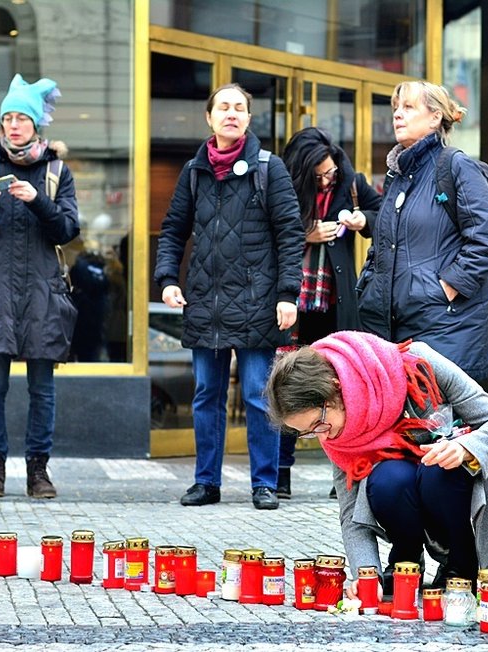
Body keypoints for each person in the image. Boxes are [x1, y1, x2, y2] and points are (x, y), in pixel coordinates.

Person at [266, 331, 488, 596]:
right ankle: (406, 564)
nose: (321, 436)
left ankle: (461, 567)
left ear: (335, 387)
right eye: (308, 432)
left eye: (318, 424)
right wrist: (367, 575)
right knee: (387, 479)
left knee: (436, 468)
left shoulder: (416, 363)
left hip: (478, 482)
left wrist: (465, 448)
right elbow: (350, 511)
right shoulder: (338, 432)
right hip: (414, 490)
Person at [154, 83, 304, 511]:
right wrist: (167, 278)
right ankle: (206, 482)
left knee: (259, 394)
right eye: (224, 107)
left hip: (259, 302)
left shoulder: (267, 167)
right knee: (206, 395)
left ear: (249, 119)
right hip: (205, 300)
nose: (232, 114)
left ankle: (264, 483)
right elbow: (173, 230)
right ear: (209, 117)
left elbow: (290, 233)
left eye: (240, 108)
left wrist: (287, 293)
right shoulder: (194, 171)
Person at [0, 74, 78, 500]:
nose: (13, 125)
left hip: (43, 292)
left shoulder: (56, 170)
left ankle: (38, 472)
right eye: (7, 117)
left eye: (21, 117)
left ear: (35, 123)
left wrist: (36, 200)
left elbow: (67, 230)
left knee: (42, 387)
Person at [356, 81, 488, 381]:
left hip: (447, 327)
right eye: (396, 108)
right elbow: (383, 245)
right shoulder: (399, 177)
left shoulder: (457, 166)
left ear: (435, 117)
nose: (398, 114)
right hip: (398, 326)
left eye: (408, 107)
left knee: (440, 425)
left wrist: (446, 288)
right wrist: (368, 285)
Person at [276, 127, 382, 499]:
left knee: (340, 390)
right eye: (319, 174)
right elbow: (268, 230)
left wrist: (360, 221)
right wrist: (308, 233)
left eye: (330, 173)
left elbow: (382, 215)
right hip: (292, 305)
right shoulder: (283, 185)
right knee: (288, 386)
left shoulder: (349, 182)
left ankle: (345, 473)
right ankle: (279, 474)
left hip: (334, 305)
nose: (326, 179)